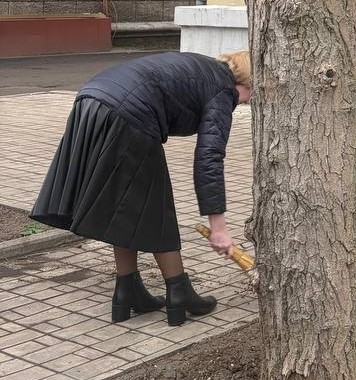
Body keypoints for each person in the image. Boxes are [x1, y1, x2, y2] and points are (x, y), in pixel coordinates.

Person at [31, 50, 252, 326]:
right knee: (155, 206)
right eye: (250, 94)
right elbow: (209, 157)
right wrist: (218, 228)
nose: (246, 102)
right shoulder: (223, 91)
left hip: (92, 101)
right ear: (244, 82)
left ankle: (128, 289)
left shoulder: (206, 70)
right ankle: (179, 292)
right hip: (128, 114)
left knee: (123, 204)